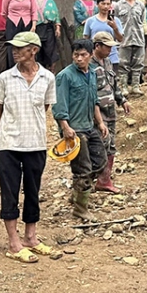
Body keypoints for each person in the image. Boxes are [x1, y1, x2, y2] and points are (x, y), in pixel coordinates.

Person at [0, 32, 56, 262]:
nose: (15, 51)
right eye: (13, 48)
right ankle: (13, 241)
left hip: (36, 142)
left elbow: (46, 106)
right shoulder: (6, 78)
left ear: (34, 50)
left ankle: (31, 236)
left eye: (20, 48)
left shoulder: (47, 77)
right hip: (9, 142)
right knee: (10, 191)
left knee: (33, 190)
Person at [54, 39, 109, 220]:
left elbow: (94, 101)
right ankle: (80, 208)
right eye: (76, 55)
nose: (79, 59)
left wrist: (100, 122)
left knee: (100, 162)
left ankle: (78, 191)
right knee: (82, 169)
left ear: (91, 55)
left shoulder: (91, 73)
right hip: (74, 130)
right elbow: (59, 105)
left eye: (83, 55)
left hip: (89, 125)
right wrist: (65, 127)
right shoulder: (65, 76)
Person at [90, 31, 130, 194]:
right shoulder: (89, 66)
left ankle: (104, 180)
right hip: (97, 113)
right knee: (100, 144)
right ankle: (92, 178)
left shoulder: (107, 63)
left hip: (111, 111)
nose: (110, 50)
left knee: (111, 144)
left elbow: (114, 84)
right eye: (107, 47)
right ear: (97, 46)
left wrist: (122, 100)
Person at [114, 0, 147, 95]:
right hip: (124, 39)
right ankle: (123, 87)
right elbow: (116, 22)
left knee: (138, 64)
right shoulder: (118, 5)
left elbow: (142, 20)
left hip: (138, 38)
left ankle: (135, 86)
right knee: (123, 65)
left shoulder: (141, 5)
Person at [1, 0, 39, 69]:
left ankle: (27, 67)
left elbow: (34, 11)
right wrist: (10, 21)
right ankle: (12, 68)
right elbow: (4, 12)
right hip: (12, 23)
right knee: (12, 46)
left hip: (27, 23)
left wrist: (33, 25)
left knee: (27, 45)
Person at [31, 0, 61, 69]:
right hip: (37, 27)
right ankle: (40, 69)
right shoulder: (32, 1)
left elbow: (56, 15)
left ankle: (51, 69)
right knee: (38, 49)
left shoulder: (51, 2)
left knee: (50, 49)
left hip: (49, 27)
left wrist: (58, 28)